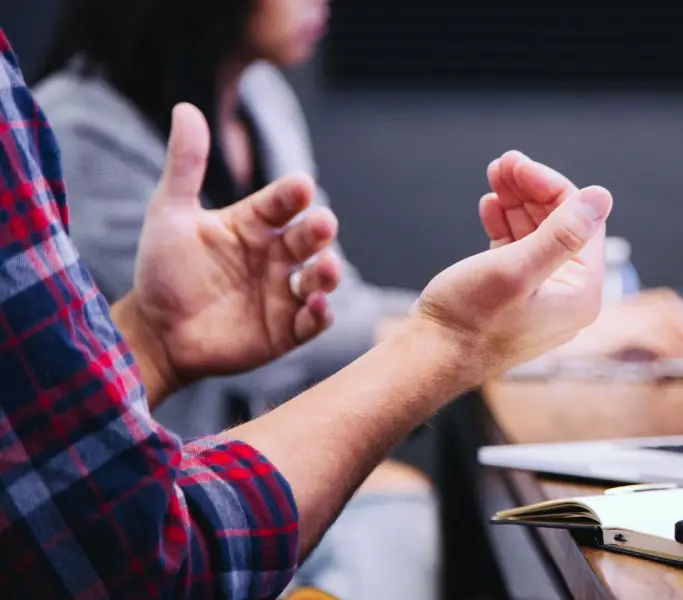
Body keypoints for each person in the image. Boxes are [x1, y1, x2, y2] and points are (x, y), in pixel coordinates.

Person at [0, 22, 613, 598]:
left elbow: (333, 306)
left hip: (214, 489)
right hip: (189, 514)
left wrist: (154, 341)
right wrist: (457, 339)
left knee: (398, 512)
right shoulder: (79, 127)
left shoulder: (261, 96)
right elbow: (136, 557)